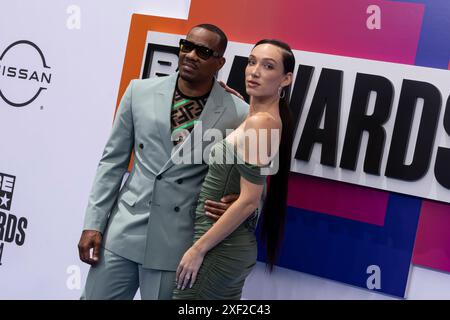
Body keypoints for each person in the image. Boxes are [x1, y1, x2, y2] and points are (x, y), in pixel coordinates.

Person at [77, 24, 250, 300]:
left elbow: (254, 184)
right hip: (124, 231)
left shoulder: (239, 113)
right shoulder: (139, 91)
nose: (191, 55)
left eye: (204, 52)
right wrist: (93, 224)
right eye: (187, 46)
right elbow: (112, 163)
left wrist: (239, 200)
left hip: (178, 244)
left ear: (220, 62)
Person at [172, 39, 295, 300]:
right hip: (221, 242)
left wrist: (198, 250)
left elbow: (249, 201)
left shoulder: (262, 123)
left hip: (218, 247)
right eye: (252, 62)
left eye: (268, 66)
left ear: (285, 79)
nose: (255, 71)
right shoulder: (256, 119)